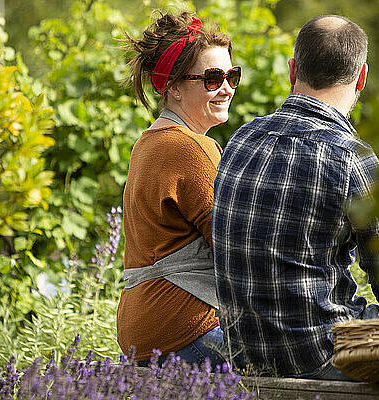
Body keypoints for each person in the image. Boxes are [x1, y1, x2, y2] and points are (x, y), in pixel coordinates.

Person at [211, 15, 379, 380]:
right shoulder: (351, 157)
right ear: (362, 78)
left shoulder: (241, 140)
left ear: (293, 71)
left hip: (245, 355)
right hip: (327, 357)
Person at [116, 11, 240, 368]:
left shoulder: (148, 143)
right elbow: (234, 245)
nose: (226, 87)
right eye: (212, 78)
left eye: (232, 75)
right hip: (186, 326)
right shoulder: (191, 149)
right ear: (174, 88)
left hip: (144, 325)